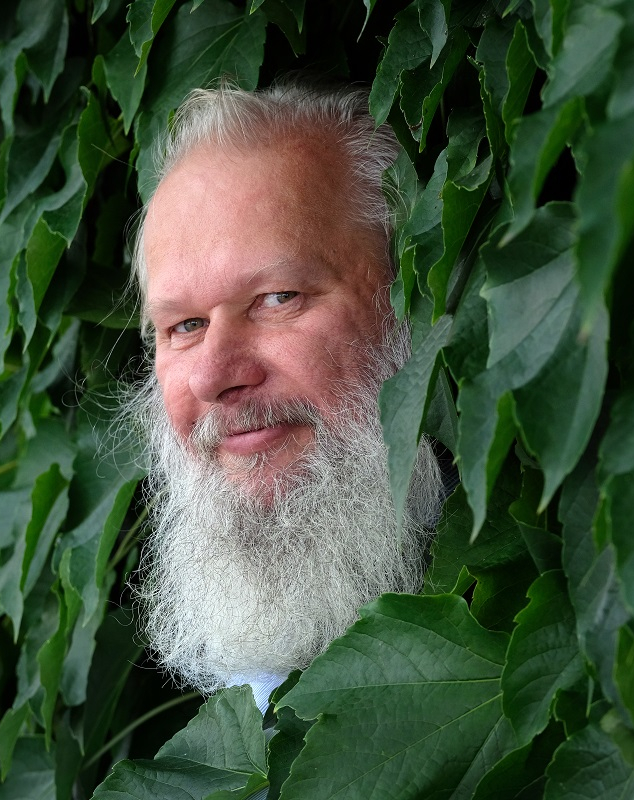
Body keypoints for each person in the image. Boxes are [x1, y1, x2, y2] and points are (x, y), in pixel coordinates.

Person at [123, 81, 445, 710]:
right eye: (184, 326)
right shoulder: (243, 706)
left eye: (278, 298)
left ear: (411, 295)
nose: (214, 375)